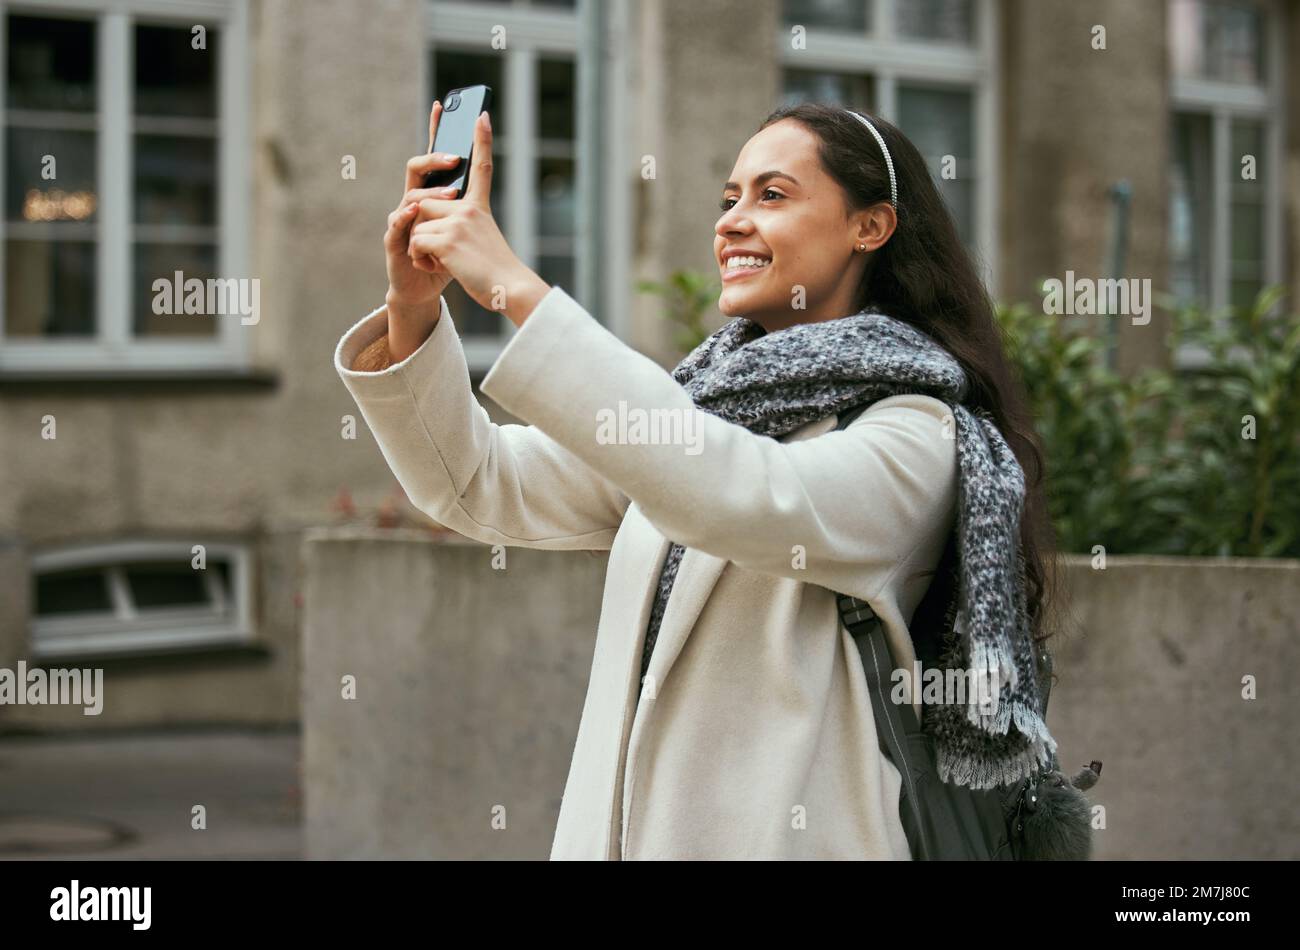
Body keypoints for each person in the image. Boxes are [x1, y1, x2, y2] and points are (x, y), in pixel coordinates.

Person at [333, 99, 1060, 860]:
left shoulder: (920, 435)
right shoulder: (708, 408)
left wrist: (516, 288)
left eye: (772, 196)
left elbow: (737, 495)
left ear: (869, 228)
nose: (733, 221)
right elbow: (476, 482)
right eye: (729, 199)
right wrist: (411, 310)